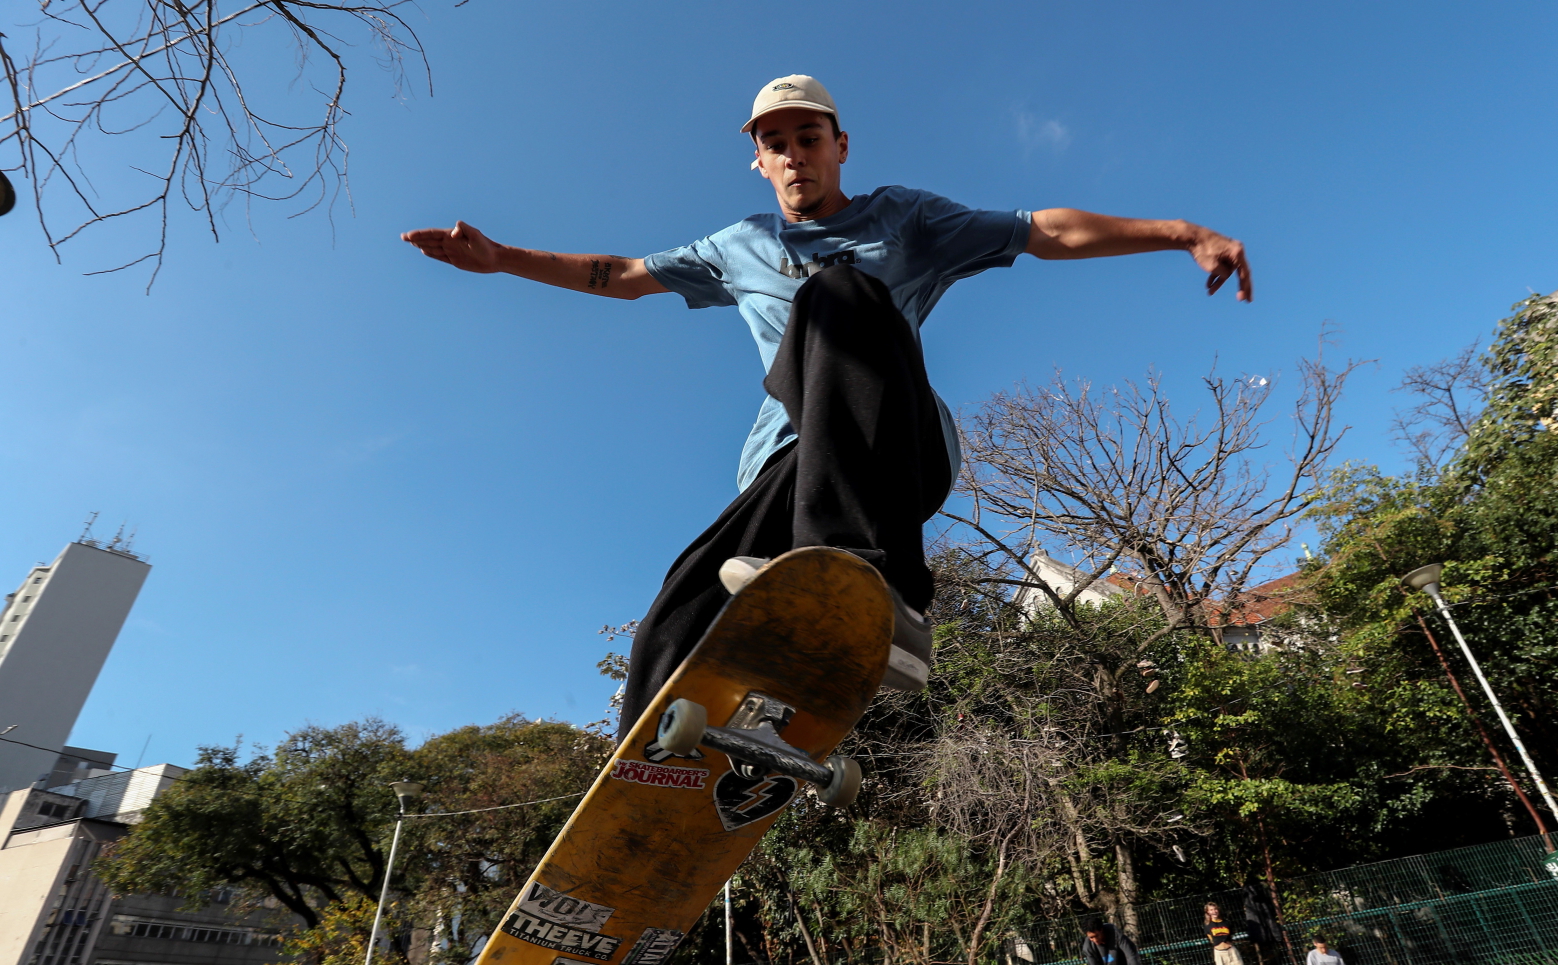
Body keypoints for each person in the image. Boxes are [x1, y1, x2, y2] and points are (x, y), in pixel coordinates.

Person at [402, 76, 1251, 736]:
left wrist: (1179, 231)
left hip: (895, 454)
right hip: (789, 469)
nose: (795, 155)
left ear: (840, 145)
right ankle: (645, 798)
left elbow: (1043, 230)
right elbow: (622, 277)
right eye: (777, 145)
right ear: (758, 161)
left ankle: (886, 596)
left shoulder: (905, 218)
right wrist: (502, 258)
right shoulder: (737, 245)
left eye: (809, 139)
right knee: (677, 611)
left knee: (838, 295)